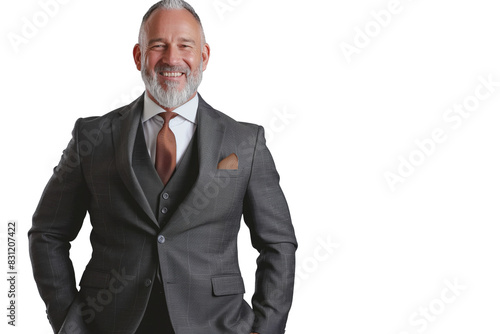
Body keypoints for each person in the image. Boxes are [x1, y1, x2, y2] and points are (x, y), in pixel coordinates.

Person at [28, 1, 297, 333]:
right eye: (158, 45)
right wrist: (70, 325)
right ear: (139, 56)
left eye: (185, 45)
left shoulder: (246, 142)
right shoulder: (92, 137)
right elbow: (47, 233)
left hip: (218, 325)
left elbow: (278, 244)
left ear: (204, 56)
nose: (172, 58)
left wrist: (265, 329)